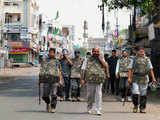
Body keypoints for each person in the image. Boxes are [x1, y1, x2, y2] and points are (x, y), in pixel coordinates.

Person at [81, 48, 109, 115]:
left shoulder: (101, 58)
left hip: (99, 79)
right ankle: (89, 108)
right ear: (92, 52)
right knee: (90, 95)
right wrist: (82, 79)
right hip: (90, 79)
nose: (96, 53)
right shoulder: (87, 59)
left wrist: (100, 59)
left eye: (97, 51)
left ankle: (98, 109)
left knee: (98, 95)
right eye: (94, 51)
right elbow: (83, 69)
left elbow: (105, 66)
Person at [128, 47, 156, 113]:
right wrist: (129, 78)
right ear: (137, 52)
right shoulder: (133, 59)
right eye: (140, 51)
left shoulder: (147, 59)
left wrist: (153, 78)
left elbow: (150, 69)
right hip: (135, 78)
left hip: (144, 78)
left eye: (142, 51)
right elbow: (130, 69)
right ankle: (135, 106)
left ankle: (142, 108)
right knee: (135, 92)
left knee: (143, 94)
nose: (141, 53)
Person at [39, 48, 63, 113]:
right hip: (46, 79)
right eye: (50, 52)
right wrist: (39, 80)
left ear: (54, 53)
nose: (51, 54)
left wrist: (60, 80)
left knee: (54, 94)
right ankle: (48, 103)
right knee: (45, 95)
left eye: (52, 52)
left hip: (55, 80)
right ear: (48, 53)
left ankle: (53, 107)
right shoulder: (44, 60)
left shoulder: (57, 61)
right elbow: (41, 70)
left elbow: (60, 71)